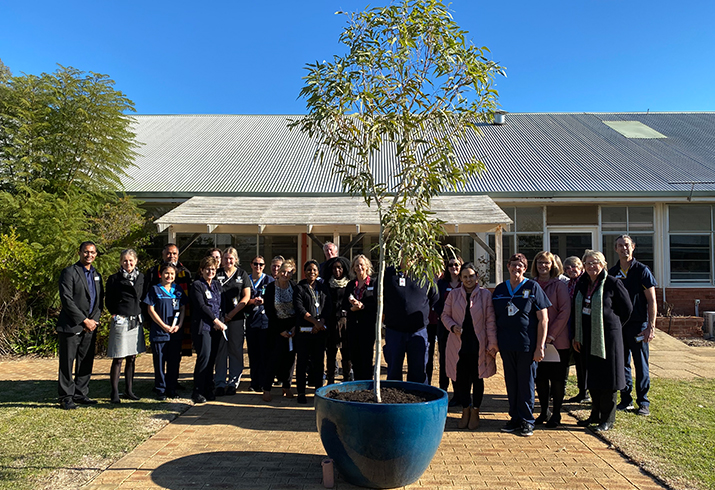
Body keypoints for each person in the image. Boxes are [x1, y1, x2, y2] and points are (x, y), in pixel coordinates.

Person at [573, 250, 633, 432]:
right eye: (588, 263)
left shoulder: (613, 283)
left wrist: (612, 325)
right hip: (586, 337)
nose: (591, 266)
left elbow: (627, 309)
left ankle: (607, 419)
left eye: (595, 262)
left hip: (608, 338)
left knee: (608, 379)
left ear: (603, 264)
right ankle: (595, 414)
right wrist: (577, 335)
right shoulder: (582, 283)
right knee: (593, 376)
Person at [492, 253, 550, 437]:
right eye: (513, 265)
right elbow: (493, 318)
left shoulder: (533, 287)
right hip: (507, 345)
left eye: (521, 266)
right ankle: (515, 417)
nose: (516, 268)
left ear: (525, 269)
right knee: (511, 383)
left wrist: (540, 346)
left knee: (526, 383)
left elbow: (544, 319)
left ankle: (527, 420)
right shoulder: (500, 290)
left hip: (527, 345)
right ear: (508, 266)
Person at [441, 262, 498, 430]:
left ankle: (475, 411)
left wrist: (492, 343)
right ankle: (465, 409)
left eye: (471, 276)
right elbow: (445, 315)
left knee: (477, 378)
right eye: (465, 277)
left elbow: (490, 320)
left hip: (478, 344)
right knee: (461, 379)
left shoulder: (485, 295)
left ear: (477, 277)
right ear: (460, 278)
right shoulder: (453, 295)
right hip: (459, 344)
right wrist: (452, 326)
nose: (468, 279)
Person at [608, 234, 657, 417]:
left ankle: (643, 402)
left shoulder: (642, 271)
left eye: (627, 245)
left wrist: (650, 327)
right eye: (620, 245)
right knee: (622, 364)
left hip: (638, 326)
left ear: (633, 247)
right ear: (616, 249)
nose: (624, 248)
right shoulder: (612, 273)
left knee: (641, 364)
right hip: (619, 326)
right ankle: (626, 399)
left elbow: (652, 301)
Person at [56, 241, 104, 410]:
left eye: (92, 252)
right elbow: (67, 300)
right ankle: (66, 396)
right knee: (67, 363)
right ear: (79, 252)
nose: (89, 255)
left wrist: (94, 321)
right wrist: (84, 320)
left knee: (86, 361)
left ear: (96, 254)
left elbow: (99, 301)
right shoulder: (70, 272)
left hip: (90, 326)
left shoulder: (97, 275)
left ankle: (81, 393)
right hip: (71, 326)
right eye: (86, 252)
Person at [531, 251, 572, 428]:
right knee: (540, 378)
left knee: (557, 379)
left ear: (552, 265)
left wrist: (550, 335)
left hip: (557, 341)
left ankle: (556, 414)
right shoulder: (531, 284)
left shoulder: (559, 285)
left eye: (546, 263)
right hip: (536, 340)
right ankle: (544, 411)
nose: (543, 266)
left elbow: (564, 311)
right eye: (540, 263)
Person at [382, 262, 438, 383]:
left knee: (418, 372)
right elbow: (379, 295)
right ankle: (394, 401)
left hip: (418, 332)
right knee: (393, 372)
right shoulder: (388, 273)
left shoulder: (424, 273)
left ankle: (418, 400)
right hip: (394, 332)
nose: (407, 256)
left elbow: (434, 295)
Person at [105, 249, 146, 403]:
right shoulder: (114, 279)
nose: (128, 263)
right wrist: (114, 313)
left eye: (130, 260)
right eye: (125, 260)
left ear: (135, 261)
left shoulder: (141, 277)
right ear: (121, 262)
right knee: (118, 357)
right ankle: (114, 392)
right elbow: (108, 299)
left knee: (132, 357)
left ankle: (129, 390)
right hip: (121, 319)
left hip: (136, 319)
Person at [144, 263, 187, 399]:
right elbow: (150, 309)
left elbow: (183, 309)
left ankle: (171, 388)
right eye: (166, 273)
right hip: (160, 333)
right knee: (160, 362)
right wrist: (163, 326)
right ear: (161, 275)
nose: (169, 276)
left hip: (175, 333)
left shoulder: (178, 290)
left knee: (174, 362)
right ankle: (160, 389)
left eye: (172, 274)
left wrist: (179, 325)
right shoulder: (155, 289)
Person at [144, 243, 193, 357]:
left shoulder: (185, 273)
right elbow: (146, 296)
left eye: (174, 253)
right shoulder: (153, 272)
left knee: (175, 358)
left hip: (178, 321)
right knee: (160, 358)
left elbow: (187, 300)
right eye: (168, 253)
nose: (171, 256)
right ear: (163, 254)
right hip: (158, 320)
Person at [189, 256, 227, 404]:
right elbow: (202, 306)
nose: (210, 272)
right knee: (204, 357)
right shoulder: (197, 285)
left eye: (213, 269)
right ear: (201, 270)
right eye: (207, 269)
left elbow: (221, 306)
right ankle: (197, 390)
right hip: (203, 327)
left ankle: (208, 388)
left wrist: (221, 322)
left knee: (212, 359)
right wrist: (215, 321)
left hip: (216, 329)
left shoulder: (217, 285)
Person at [294, 259, 332, 404]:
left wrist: (321, 322)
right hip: (303, 331)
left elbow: (327, 306)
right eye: (309, 270)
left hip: (319, 331)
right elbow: (299, 308)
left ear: (318, 272)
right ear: (304, 272)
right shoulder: (299, 288)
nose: (312, 272)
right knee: (302, 362)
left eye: (314, 270)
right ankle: (301, 392)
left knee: (318, 362)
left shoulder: (323, 287)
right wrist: (314, 322)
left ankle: (318, 391)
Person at [214, 247, 251, 396]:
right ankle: (220, 382)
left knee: (236, 350)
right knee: (220, 351)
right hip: (219, 319)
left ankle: (233, 382)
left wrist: (231, 314)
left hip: (236, 318)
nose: (228, 261)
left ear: (236, 259)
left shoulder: (242, 274)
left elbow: (246, 296)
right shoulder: (217, 274)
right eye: (226, 258)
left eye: (231, 258)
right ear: (221, 260)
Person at [263, 259, 299, 400]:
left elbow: (298, 307)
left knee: (290, 359)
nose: (285, 274)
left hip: (292, 327)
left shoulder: (294, 287)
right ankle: (267, 388)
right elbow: (269, 311)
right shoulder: (271, 287)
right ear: (278, 272)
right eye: (283, 271)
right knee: (274, 358)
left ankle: (287, 386)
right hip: (276, 327)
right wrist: (280, 330)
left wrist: (294, 327)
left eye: (289, 272)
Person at [343, 254, 378, 381]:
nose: (359, 267)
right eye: (357, 265)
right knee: (355, 357)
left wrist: (363, 306)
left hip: (367, 326)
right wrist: (352, 308)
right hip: (353, 326)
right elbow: (344, 304)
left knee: (366, 357)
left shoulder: (374, 283)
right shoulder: (351, 285)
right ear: (353, 268)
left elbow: (376, 304)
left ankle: (367, 385)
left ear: (367, 266)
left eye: (362, 264)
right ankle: (357, 384)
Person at [432, 256, 463, 399]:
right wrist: (447, 317)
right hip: (445, 327)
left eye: (457, 265)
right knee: (444, 359)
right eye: (451, 265)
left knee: (460, 360)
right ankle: (443, 391)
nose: (454, 267)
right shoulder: (442, 284)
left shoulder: (465, 283)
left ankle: (458, 393)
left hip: (462, 328)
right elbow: (436, 303)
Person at [245, 255, 274, 392]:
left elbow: (274, 300)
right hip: (251, 320)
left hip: (265, 321)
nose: (258, 267)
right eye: (255, 264)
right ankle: (254, 381)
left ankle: (264, 382)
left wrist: (264, 301)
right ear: (251, 265)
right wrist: (251, 301)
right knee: (253, 353)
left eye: (261, 264)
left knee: (265, 353)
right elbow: (242, 298)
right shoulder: (246, 279)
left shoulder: (269, 280)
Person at [564, 256, 590, 404]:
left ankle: (586, 392)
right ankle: (581, 391)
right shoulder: (569, 283)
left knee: (584, 361)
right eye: (567, 268)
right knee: (578, 360)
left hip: (584, 324)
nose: (570, 270)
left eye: (573, 267)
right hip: (572, 324)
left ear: (581, 266)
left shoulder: (585, 282)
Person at [322, 256, 352, 384]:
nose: (337, 270)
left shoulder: (350, 284)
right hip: (331, 322)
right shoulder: (327, 284)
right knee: (331, 351)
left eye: (339, 267)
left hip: (345, 322)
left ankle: (346, 377)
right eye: (334, 268)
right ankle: (330, 379)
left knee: (346, 351)